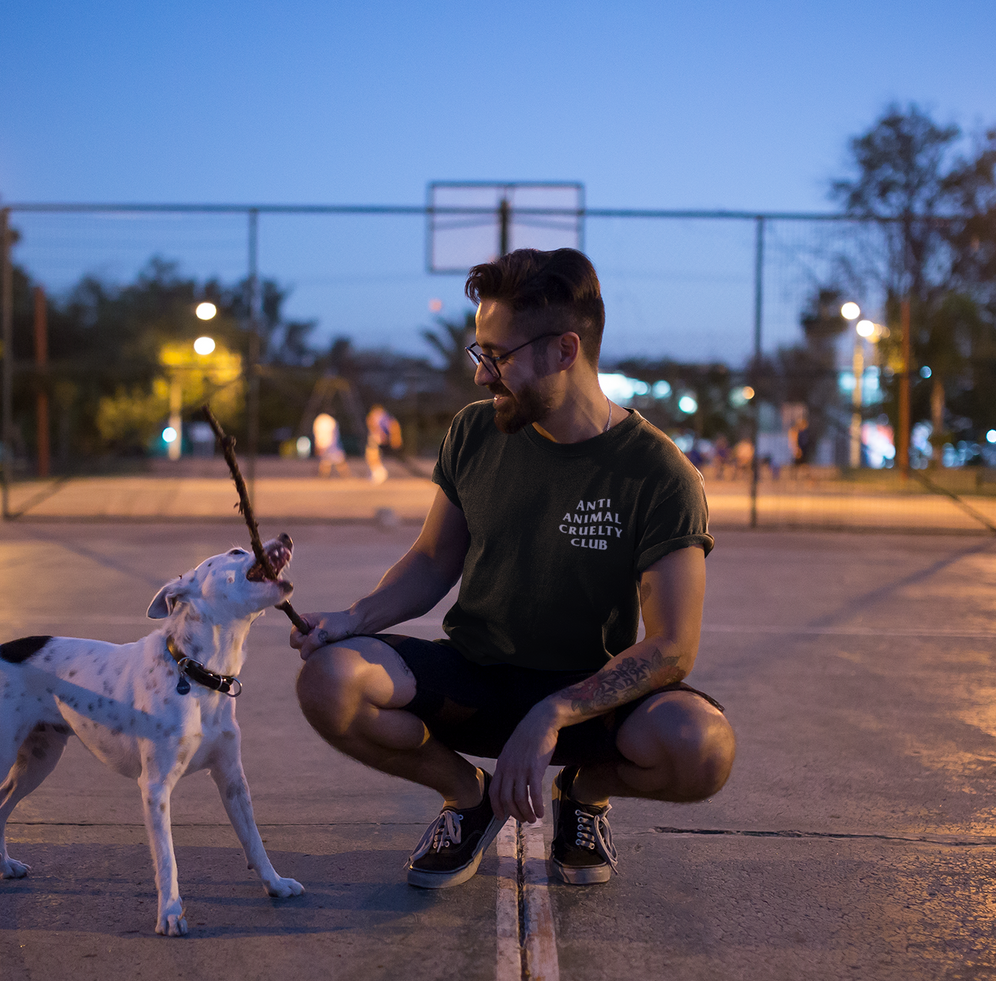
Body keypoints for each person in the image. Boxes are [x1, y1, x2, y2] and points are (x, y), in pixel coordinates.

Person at [291, 248, 735, 889]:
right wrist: (352, 618)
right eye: (480, 353)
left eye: (497, 357)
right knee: (329, 680)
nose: (481, 376)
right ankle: (467, 798)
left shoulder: (660, 473)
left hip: (588, 697)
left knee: (704, 749)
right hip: (477, 676)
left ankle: (584, 795)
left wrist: (553, 714)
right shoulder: (474, 432)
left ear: (565, 350)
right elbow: (432, 559)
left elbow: (672, 649)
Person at [364, 403, 403, 485]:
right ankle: (378, 473)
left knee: (371, 456)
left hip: (377, 437)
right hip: (378, 437)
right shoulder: (385, 416)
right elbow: (394, 425)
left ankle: (380, 473)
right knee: (373, 456)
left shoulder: (380, 416)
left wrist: (394, 438)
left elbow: (392, 425)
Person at [312, 412, 352, 478]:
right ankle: (346, 477)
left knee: (327, 461)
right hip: (330, 445)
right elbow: (330, 436)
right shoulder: (329, 421)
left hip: (327, 445)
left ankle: (324, 478)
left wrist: (319, 445)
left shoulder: (320, 420)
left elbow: (318, 434)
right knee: (331, 461)